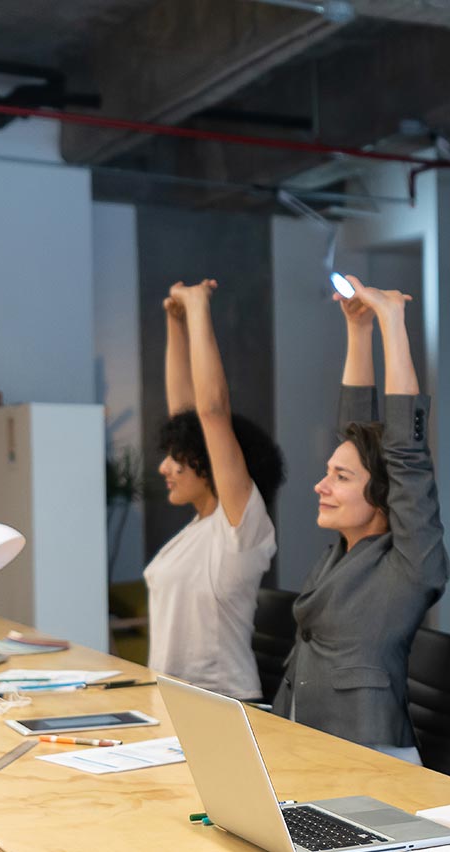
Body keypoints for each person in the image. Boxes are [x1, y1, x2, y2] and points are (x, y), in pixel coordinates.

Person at [271, 278, 448, 765]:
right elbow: (355, 430)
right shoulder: (344, 554)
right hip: (309, 746)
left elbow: (405, 457)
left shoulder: (411, 562)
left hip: (371, 761)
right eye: (327, 473)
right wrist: (358, 330)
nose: (320, 486)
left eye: (340, 477)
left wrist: (392, 321)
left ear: (383, 495)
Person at [145, 279, 286, 701]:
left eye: (177, 457)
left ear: (210, 464)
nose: (164, 467)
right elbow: (188, 416)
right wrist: (175, 321)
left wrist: (199, 306)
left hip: (225, 707)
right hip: (176, 703)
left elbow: (210, 412)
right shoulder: (200, 528)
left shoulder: (240, 531)